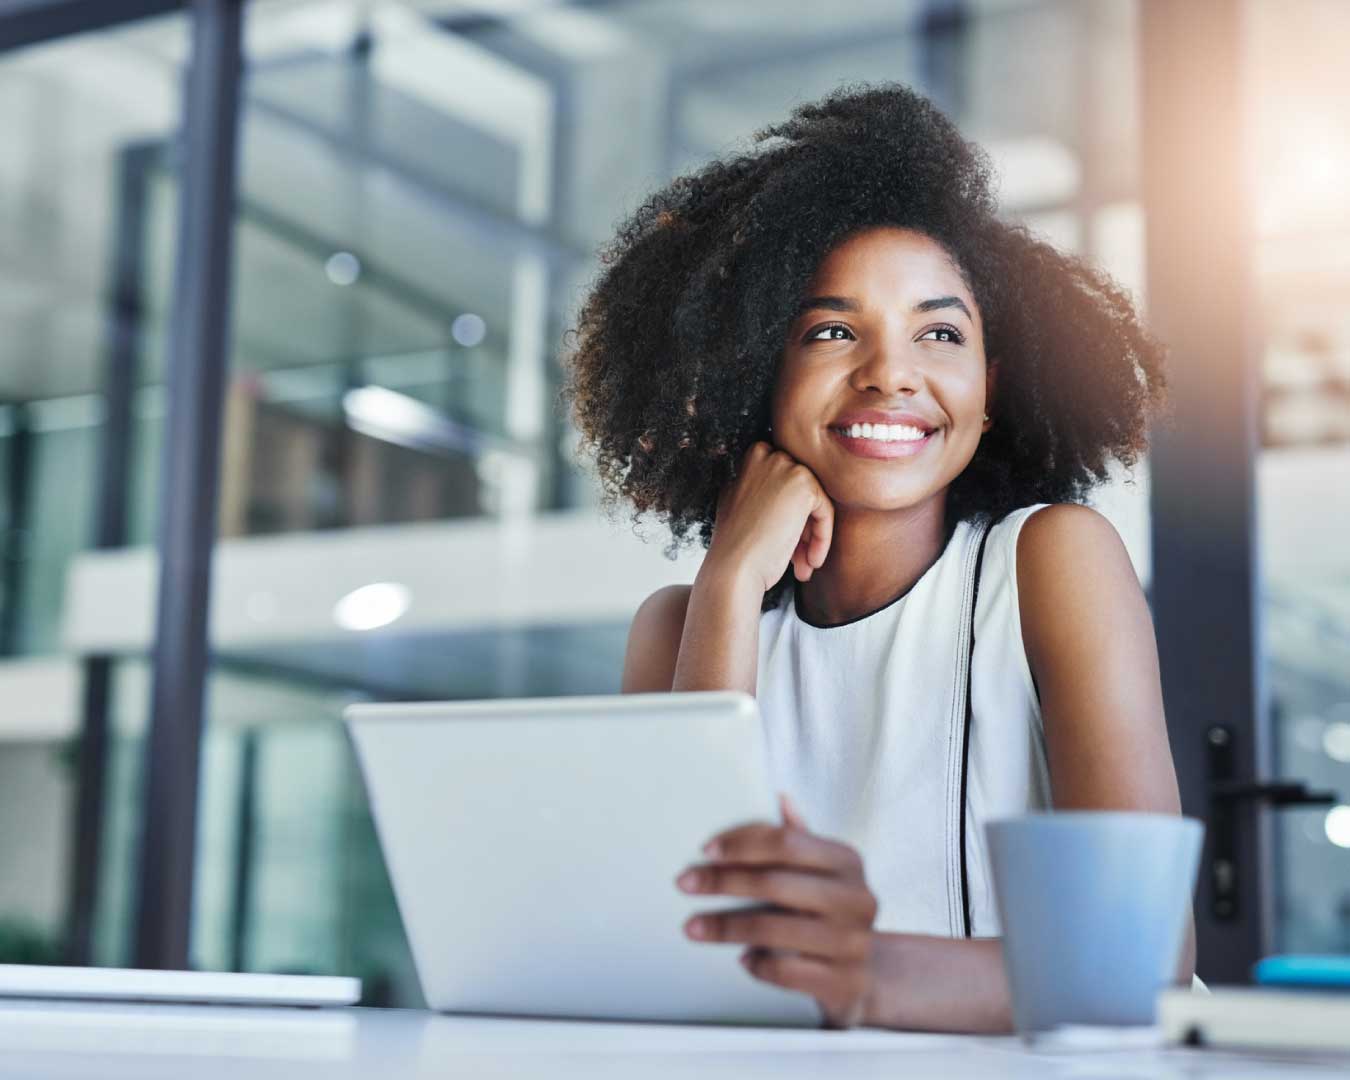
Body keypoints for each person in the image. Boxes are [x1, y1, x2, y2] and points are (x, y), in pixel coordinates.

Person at [563, 83, 1189, 1032]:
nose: (891, 373)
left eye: (941, 333)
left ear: (989, 386)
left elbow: (1143, 957)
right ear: (751, 372)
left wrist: (865, 975)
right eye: (831, 331)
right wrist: (729, 585)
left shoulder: (1049, 562)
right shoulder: (679, 627)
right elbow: (678, 950)